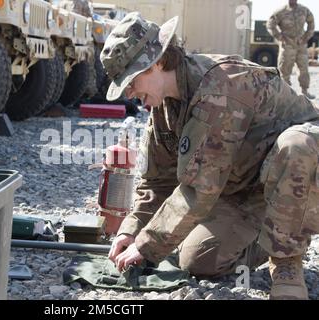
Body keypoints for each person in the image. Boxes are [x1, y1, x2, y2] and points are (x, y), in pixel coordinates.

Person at [100, 12, 319, 300]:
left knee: (296, 144)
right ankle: (275, 230)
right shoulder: (164, 108)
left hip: (301, 178)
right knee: (199, 260)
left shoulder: (220, 88)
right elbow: (156, 181)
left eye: (131, 80)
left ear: (159, 63)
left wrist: (145, 246)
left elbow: (199, 189)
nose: (129, 92)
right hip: (249, 189)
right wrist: (131, 231)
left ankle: (287, 263)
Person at [267, 0, 316, 99]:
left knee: (304, 69)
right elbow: (270, 24)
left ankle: (305, 91)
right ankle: (284, 94)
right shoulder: (280, 11)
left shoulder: (304, 10)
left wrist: (306, 36)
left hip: (301, 45)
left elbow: (311, 22)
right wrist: (280, 37)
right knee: (284, 70)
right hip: (287, 46)